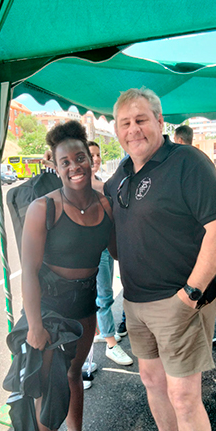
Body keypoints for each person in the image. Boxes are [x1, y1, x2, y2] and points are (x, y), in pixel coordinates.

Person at [105, 88, 216, 431]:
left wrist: (191, 294)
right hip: (135, 302)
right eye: (125, 123)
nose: (133, 129)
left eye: (141, 119)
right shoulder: (121, 173)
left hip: (180, 302)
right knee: (152, 382)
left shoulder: (187, 163)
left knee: (184, 397)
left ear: (160, 121)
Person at [19, 120, 115, 431]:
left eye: (80, 158)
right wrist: (35, 325)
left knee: (75, 373)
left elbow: (121, 251)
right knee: (49, 386)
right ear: (55, 166)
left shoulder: (105, 205)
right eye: (66, 162)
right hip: (50, 308)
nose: (75, 166)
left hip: (86, 304)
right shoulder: (43, 209)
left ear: (91, 159)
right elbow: (28, 271)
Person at [88, 141, 132, 366]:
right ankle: (111, 344)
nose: (96, 159)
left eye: (97, 155)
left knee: (104, 293)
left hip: (106, 245)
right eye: (91, 155)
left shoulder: (97, 179)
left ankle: (105, 332)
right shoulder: (85, 184)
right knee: (104, 295)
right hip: (95, 248)